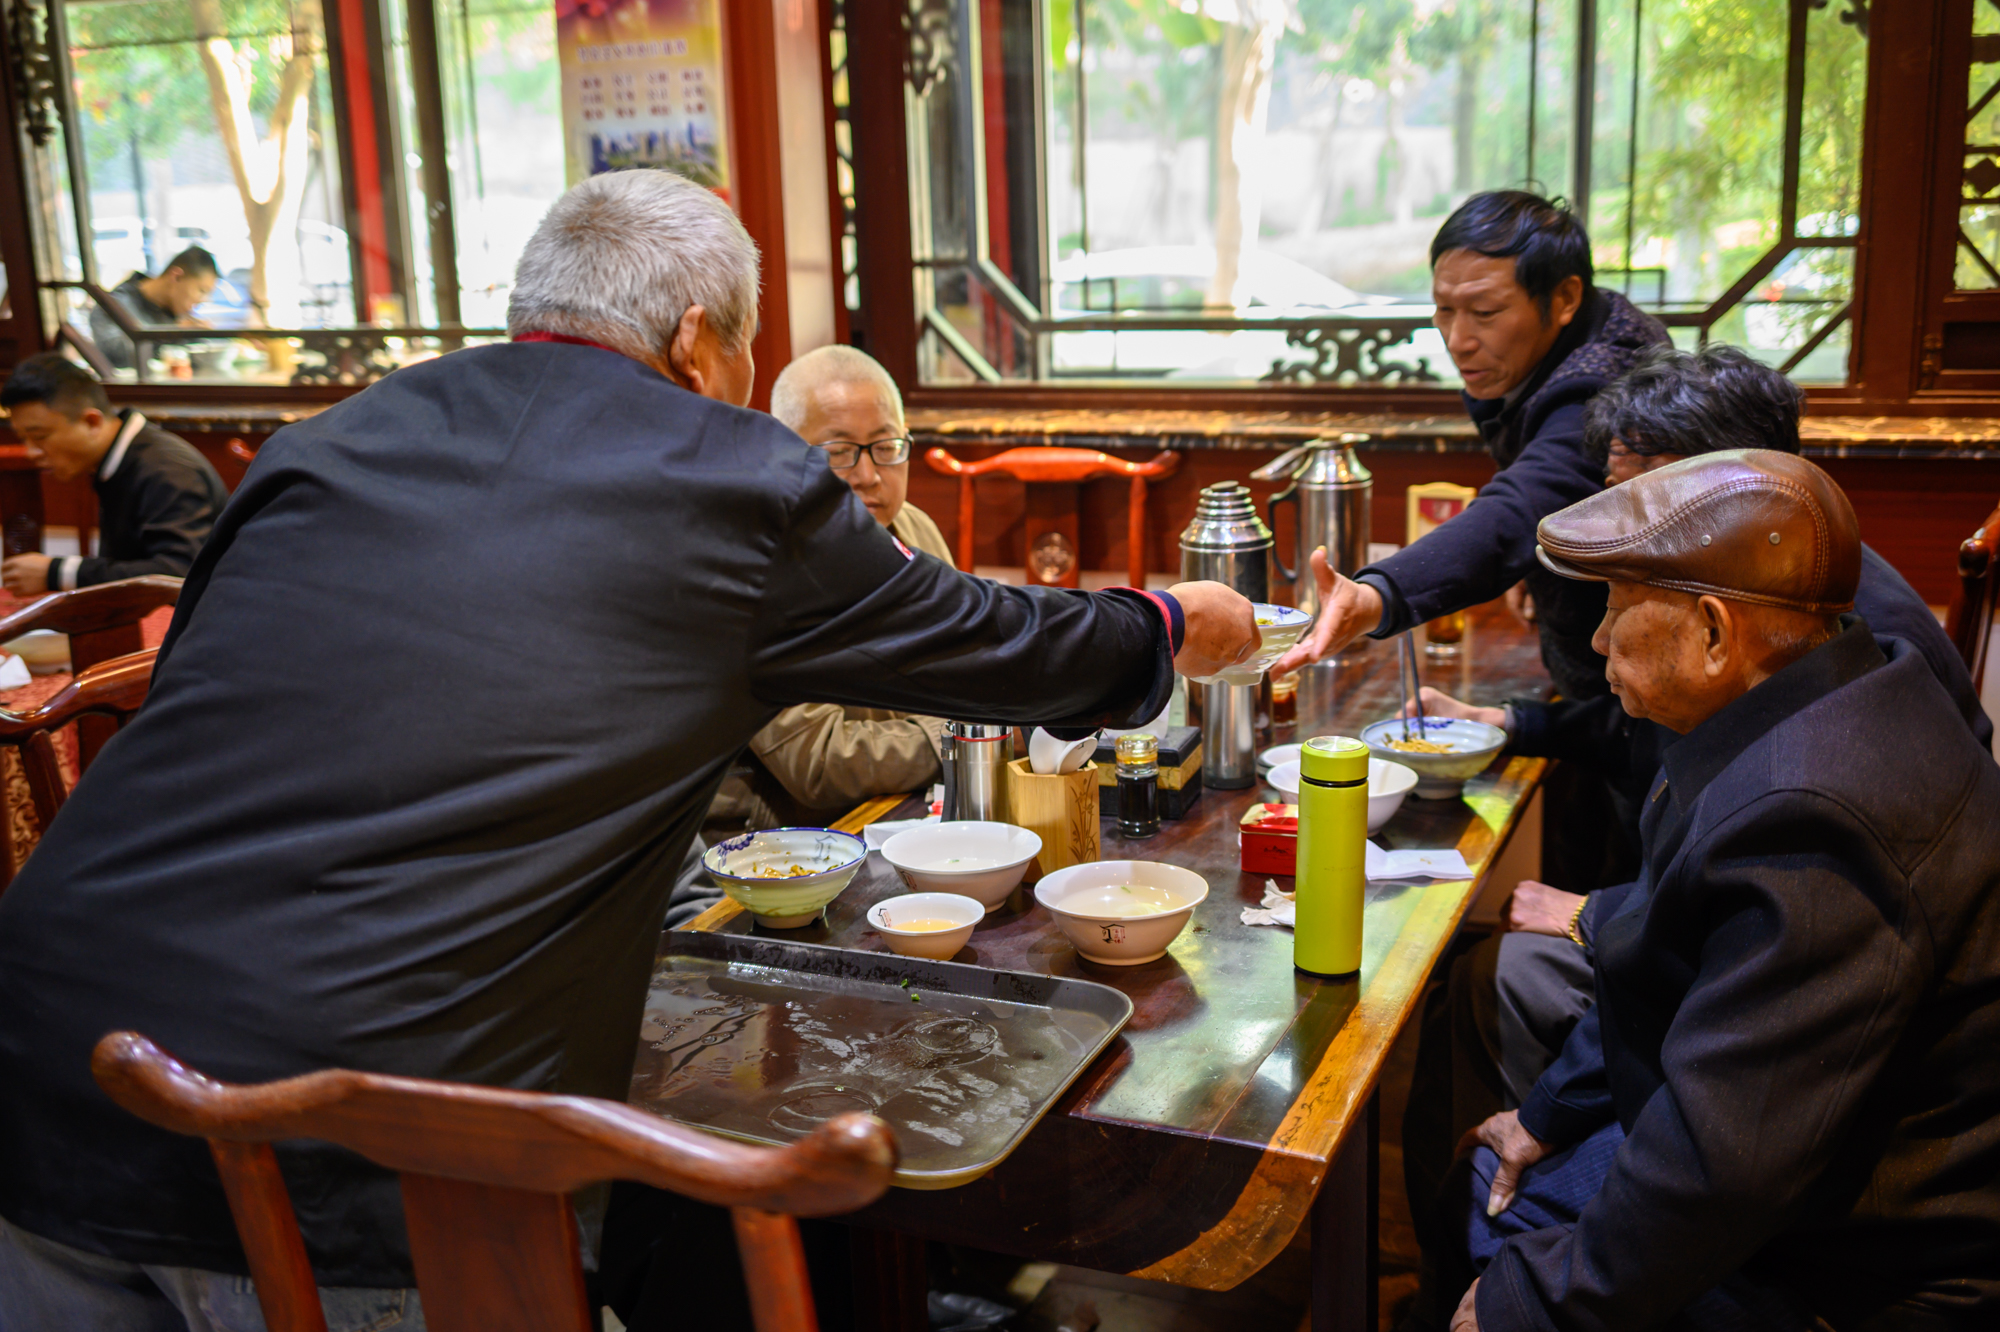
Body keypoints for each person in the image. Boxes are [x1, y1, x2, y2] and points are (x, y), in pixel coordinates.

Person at [0, 168, 1258, 1329]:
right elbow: (988, 641)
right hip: (331, 1138)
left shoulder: (331, 440)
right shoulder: (731, 478)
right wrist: (1163, 621)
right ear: (697, 339)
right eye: (745, 349)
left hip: (44, 1056)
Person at [1396, 346, 1995, 1330]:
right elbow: (1660, 964)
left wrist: (1511, 1307)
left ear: (1713, 634)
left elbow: (1723, 1168)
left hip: (1858, 1259)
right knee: (1487, 1174)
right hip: (1798, 1168)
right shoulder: (1808, 683)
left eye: (1619, 608)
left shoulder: (1810, 819)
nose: (1593, 642)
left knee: (1498, 1251)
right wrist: (1543, 1117)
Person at [1277, 190, 1669, 700]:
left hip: (1635, 696)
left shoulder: (1611, 380)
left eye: (1485, 311)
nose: (1457, 339)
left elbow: (1525, 504)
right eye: (1443, 309)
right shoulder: (1550, 346)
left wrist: (1378, 594)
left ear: (1566, 298)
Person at [712, 344, 954, 831]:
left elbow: (966, 667)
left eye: (886, 448)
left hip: (907, 807)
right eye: (839, 454)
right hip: (783, 844)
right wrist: (958, 736)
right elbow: (819, 763)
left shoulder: (914, 529)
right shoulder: (750, 569)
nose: (869, 476)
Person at [0, 352, 228, 595]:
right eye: (24, 438)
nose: (31, 452)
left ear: (92, 422)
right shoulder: (123, 457)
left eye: (39, 436)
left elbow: (180, 574)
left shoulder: (166, 470)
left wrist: (59, 572)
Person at [88, 246, 219, 372]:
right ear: (176, 276)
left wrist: (197, 335)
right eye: (201, 291)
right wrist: (172, 334)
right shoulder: (114, 305)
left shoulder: (174, 312)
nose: (203, 300)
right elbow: (115, 355)